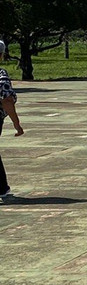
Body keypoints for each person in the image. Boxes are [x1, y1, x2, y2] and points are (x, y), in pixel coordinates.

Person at [0, 41, 25, 203]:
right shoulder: (1, 75)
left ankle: (2, 187)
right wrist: (16, 123)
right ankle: (2, 188)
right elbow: (7, 100)